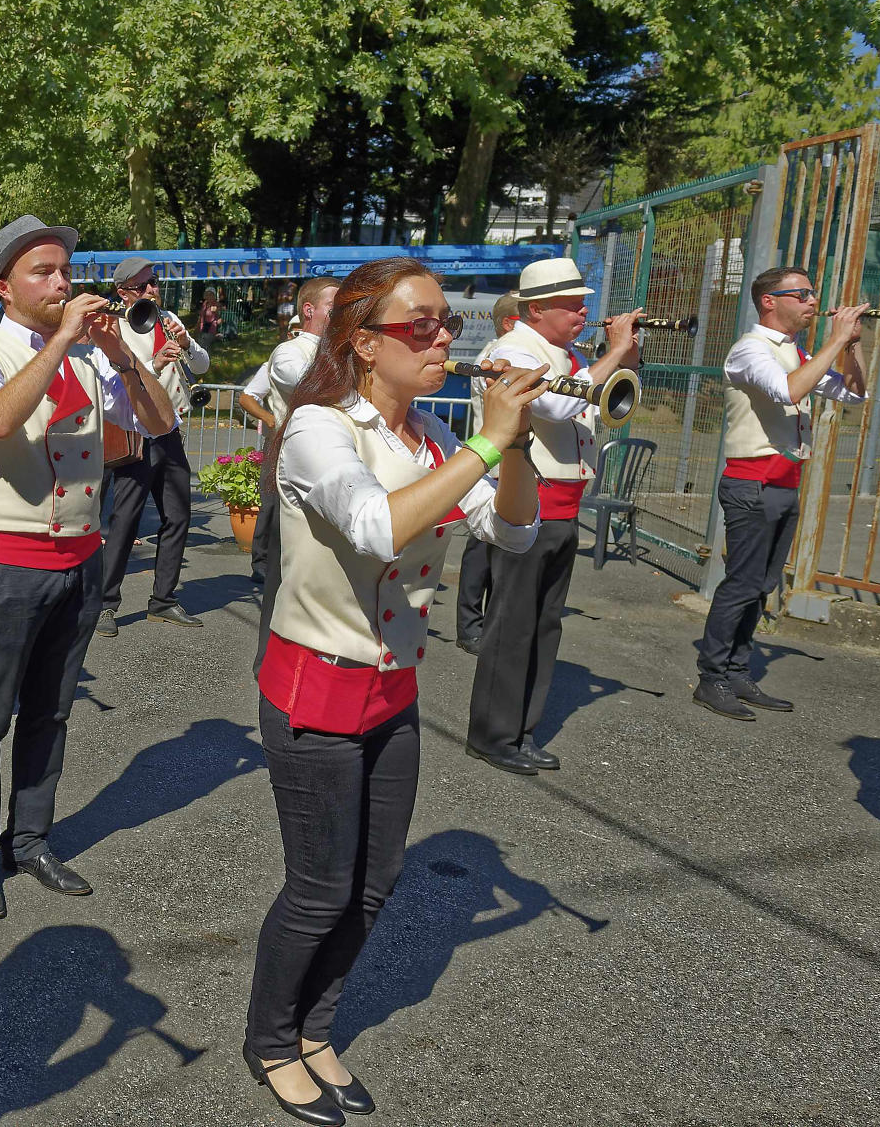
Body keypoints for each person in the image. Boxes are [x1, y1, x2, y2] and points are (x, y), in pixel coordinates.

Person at [245, 257, 543, 1125]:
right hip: (314, 685)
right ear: (365, 343)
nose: (447, 337)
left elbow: (515, 531)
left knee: (376, 882)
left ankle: (317, 1030)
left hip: (393, 687)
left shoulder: (435, 440)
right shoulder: (319, 430)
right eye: (423, 325)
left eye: (449, 321)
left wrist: (516, 438)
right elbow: (375, 526)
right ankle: (270, 1041)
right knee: (319, 887)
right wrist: (489, 439)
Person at [0, 215, 175, 919]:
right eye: (42, 272)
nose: (62, 281)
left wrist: (124, 355)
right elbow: (0, 422)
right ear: (4, 287)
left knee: (51, 712)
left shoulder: (88, 356)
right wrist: (67, 342)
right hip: (7, 564)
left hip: (81, 558)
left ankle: (33, 839)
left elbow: (159, 424)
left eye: (64, 270)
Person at [466, 258, 639, 775]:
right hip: (526, 500)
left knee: (544, 624)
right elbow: (560, 408)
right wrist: (612, 353)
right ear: (536, 309)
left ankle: (522, 730)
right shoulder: (514, 350)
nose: (584, 312)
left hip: (561, 502)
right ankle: (493, 735)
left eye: (583, 303)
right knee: (511, 624)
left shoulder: (562, 351)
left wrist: (626, 353)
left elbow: (608, 401)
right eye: (572, 305)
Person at [694, 270, 867, 719]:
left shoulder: (796, 351)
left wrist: (851, 347)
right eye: (803, 294)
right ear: (769, 301)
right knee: (741, 584)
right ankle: (710, 678)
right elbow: (789, 390)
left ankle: (736, 670)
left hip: (784, 483)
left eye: (814, 292)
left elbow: (853, 394)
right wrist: (835, 340)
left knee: (762, 586)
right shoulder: (750, 350)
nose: (813, 300)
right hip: (751, 482)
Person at [96, 257, 209, 636]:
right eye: (143, 286)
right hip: (136, 434)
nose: (152, 291)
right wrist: (155, 361)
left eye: (154, 283)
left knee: (178, 516)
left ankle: (162, 600)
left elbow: (203, 366)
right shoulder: (116, 328)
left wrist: (188, 343)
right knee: (124, 522)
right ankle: (105, 604)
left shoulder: (167, 317)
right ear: (123, 292)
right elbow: (114, 378)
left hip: (169, 431)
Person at [246, 278, 339, 610]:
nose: (342, 313)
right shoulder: (289, 352)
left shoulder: (342, 352)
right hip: (292, 454)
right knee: (280, 532)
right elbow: (320, 393)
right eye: (334, 306)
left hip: (332, 459)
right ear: (309, 310)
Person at [454, 291, 520, 654]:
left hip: (508, 468)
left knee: (501, 554)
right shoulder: (496, 355)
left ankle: (490, 622)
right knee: (480, 552)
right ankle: (469, 626)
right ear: (510, 324)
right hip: (492, 466)